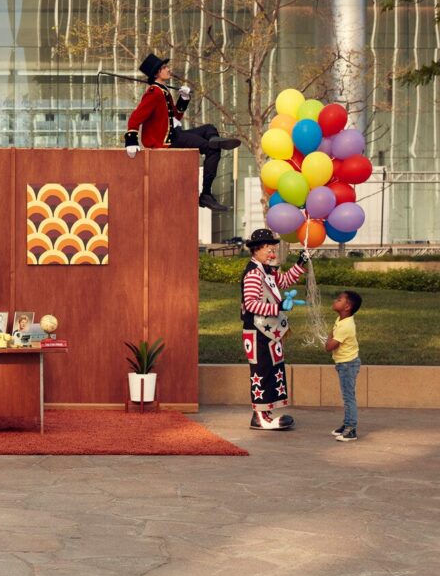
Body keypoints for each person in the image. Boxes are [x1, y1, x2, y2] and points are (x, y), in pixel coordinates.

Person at [123, 53, 242, 212]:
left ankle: (214, 140)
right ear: (157, 73)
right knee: (212, 150)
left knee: (209, 128)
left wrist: (184, 98)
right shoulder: (154, 93)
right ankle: (206, 193)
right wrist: (131, 140)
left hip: (174, 133)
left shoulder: (163, 91)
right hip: (169, 140)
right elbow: (136, 117)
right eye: (165, 67)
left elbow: (175, 115)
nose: (168, 69)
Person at [240, 229, 309, 430]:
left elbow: (284, 281)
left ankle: (266, 412)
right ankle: (260, 417)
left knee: (272, 370)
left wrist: (300, 263)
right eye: (269, 250)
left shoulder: (267, 270)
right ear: (256, 251)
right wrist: (278, 307)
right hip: (257, 331)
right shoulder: (253, 273)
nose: (272, 254)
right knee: (262, 371)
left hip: (269, 332)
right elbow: (251, 304)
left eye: (274, 250)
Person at [325, 290, 362, 442]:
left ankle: (351, 429)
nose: (335, 300)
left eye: (339, 299)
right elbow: (331, 336)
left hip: (348, 365)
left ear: (347, 307)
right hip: (344, 363)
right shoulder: (340, 320)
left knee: (348, 398)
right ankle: (347, 424)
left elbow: (329, 346)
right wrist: (330, 338)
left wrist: (328, 340)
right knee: (347, 396)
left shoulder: (345, 326)